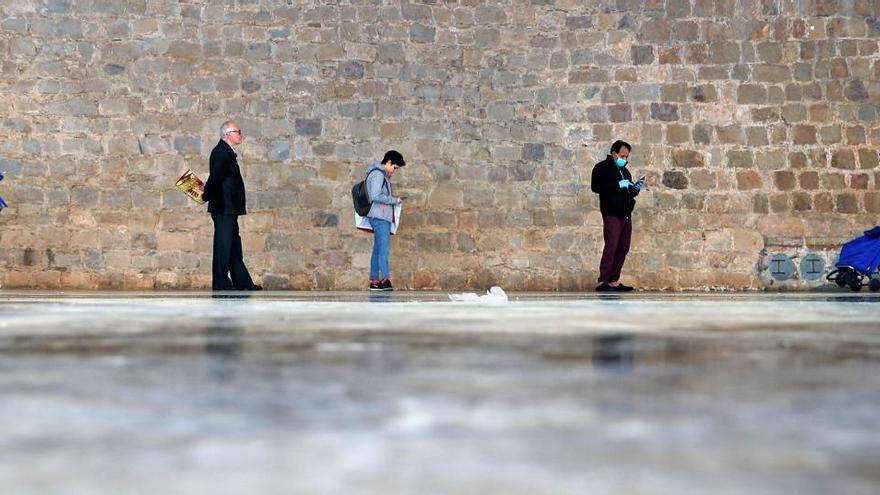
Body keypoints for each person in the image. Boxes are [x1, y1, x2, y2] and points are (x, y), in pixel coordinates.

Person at [201, 121, 262, 291]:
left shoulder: (227, 152)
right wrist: (205, 195)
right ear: (227, 134)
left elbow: (221, 179)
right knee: (223, 245)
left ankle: (242, 282)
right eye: (237, 131)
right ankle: (221, 283)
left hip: (229, 208)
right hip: (223, 208)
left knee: (234, 245)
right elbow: (215, 179)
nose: (240, 134)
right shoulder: (221, 152)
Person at [590, 140, 644, 292]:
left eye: (627, 157)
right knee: (612, 245)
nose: (624, 160)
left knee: (623, 246)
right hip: (611, 212)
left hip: (625, 213)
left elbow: (630, 191)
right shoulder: (602, 168)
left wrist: (637, 187)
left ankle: (614, 280)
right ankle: (603, 281)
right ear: (614, 153)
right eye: (622, 156)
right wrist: (617, 185)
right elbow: (596, 187)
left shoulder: (625, 172)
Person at [365, 150, 406, 291]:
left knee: (377, 250)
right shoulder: (378, 174)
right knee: (383, 249)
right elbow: (376, 195)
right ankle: (385, 279)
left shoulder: (382, 175)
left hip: (379, 216)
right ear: (388, 162)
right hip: (380, 217)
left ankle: (374, 280)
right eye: (394, 167)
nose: (394, 171)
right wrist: (395, 200)